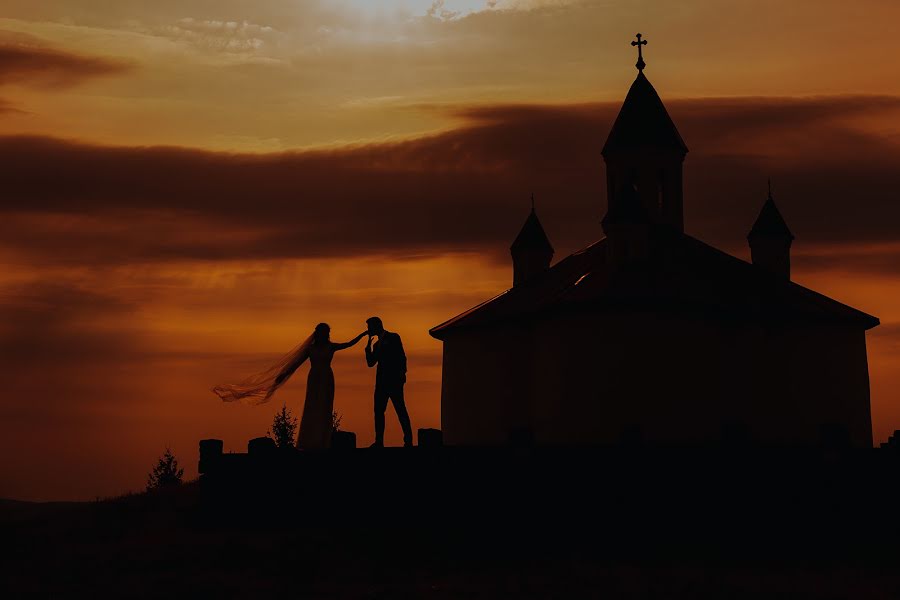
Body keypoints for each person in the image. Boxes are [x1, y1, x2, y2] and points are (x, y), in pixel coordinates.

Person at [212, 323, 366, 450]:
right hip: (314, 379)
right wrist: (282, 375)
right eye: (323, 332)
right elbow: (295, 364)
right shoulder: (310, 349)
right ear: (318, 333)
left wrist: (363, 335)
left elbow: (348, 344)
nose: (325, 334)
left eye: (326, 332)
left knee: (325, 407)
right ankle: (310, 440)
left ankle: (323, 441)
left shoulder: (331, 346)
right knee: (312, 406)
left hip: (327, 378)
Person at [365, 317, 413, 447]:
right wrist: (367, 348)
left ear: (377, 326)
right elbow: (371, 363)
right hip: (381, 383)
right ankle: (379, 441)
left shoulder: (393, 337)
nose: (368, 330)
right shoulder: (375, 345)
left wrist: (402, 374)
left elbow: (402, 357)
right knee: (379, 411)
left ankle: (408, 440)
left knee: (400, 409)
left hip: (394, 381)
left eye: (370, 327)